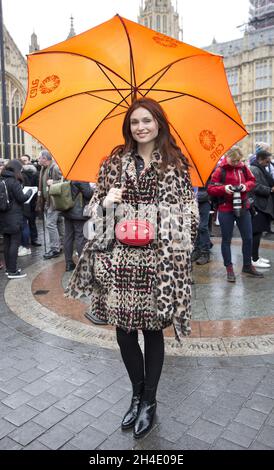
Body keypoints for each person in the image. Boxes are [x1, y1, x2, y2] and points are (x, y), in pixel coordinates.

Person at [66, 97, 199, 438]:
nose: (141, 127)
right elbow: (93, 212)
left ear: (159, 123)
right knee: (124, 332)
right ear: (129, 127)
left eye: (147, 121)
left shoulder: (174, 164)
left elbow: (191, 217)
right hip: (120, 261)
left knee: (153, 331)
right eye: (135, 122)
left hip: (158, 262)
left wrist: (154, 218)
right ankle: (136, 393)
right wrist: (105, 202)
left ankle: (150, 401)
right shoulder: (114, 162)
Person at [208, 146, 263, 282]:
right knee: (226, 239)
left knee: (248, 238)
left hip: (243, 206)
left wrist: (245, 186)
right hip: (226, 207)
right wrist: (224, 188)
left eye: (238, 160)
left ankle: (247, 265)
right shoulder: (220, 170)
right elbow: (211, 188)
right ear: (228, 157)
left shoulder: (243, 167)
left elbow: (252, 181)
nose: (236, 163)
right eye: (233, 161)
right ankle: (229, 268)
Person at [0, 159, 32, 278]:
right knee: (14, 243)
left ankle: (9, 269)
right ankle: (13, 271)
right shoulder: (14, 182)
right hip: (14, 217)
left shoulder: (2, 180)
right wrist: (29, 192)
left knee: (7, 243)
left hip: (3, 217)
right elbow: (22, 198)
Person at [37, 150, 64, 259]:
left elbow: (66, 181)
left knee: (50, 224)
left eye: (39, 158)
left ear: (45, 159)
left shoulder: (55, 168)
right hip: (48, 201)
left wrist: (55, 183)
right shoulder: (43, 169)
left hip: (54, 201)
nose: (38, 160)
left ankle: (55, 249)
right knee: (57, 223)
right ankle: (60, 244)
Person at [250, 150, 274, 267]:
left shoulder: (260, 168)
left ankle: (256, 257)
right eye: (267, 161)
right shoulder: (254, 169)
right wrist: (270, 190)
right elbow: (254, 186)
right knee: (256, 233)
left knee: (258, 233)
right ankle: (254, 259)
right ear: (261, 159)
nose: (268, 163)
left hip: (262, 205)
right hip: (258, 206)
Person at [62, 181, 94, 271]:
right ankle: (82, 264)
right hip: (78, 213)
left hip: (67, 210)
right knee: (80, 238)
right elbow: (88, 193)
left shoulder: (68, 176)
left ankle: (69, 264)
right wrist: (94, 190)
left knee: (68, 237)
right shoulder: (81, 177)